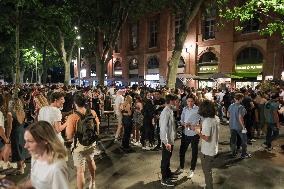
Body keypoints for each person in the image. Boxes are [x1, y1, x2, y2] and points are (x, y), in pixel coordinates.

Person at [17, 121, 69, 189]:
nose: (25, 146)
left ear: (45, 140)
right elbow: (34, 181)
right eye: (25, 141)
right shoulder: (35, 157)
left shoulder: (56, 169)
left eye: (30, 141)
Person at [65, 94, 100, 189]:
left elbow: (69, 136)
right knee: (91, 160)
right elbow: (97, 126)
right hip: (91, 142)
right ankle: (93, 182)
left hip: (79, 145)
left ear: (75, 103)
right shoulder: (92, 112)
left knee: (80, 171)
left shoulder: (72, 117)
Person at [193, 100, 219, 189]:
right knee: (208, 170)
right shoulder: (215, 119)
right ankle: (207, 184)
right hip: (213, 148)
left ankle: (209, 186)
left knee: (207, 171)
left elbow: (207, 138)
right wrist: (199, 126)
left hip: (207, 151)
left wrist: (198, 132)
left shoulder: (208, 121)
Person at [175, 95, 201, 179]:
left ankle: (192, 170)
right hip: (185, 133)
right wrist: (184, 124)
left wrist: (195, 126)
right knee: (182, 151)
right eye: (188, 101)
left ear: (194, 101)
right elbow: (181, 120)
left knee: (194, 152)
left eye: (191, 101)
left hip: (194, 134)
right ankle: (181, 167)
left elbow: (202, 121)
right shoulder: (184, 109)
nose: (190, 103)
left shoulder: (198, 109)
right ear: (186, 101)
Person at [160, 94, 178, 187]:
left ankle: (168, 173)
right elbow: (163, 128)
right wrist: (166, 142)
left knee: (168, 157)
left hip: (170, 139)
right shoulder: (165, 112)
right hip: (167, 141)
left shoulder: (170, 110)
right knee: (165, 159)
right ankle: (164, 178)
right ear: (170, 101)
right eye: (174, 101)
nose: (176, 102)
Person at [7, 94, 26, 175]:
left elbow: (9, 127)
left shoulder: (10, 114)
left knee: (17, 149)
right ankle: (23, 164)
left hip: (15, 132)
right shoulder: (22, 112)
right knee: (21, 148)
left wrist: (7, 137)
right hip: (22, 131)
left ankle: (20, 168)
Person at [227, 93, 251, 159]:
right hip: (239, 127)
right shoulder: (241, 107)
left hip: (232, 125)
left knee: (233, 139)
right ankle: (243, 154)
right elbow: (241, 118)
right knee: (244, 140)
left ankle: (233, 153)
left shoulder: (231, 106)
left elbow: (228, 115)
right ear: (241, 99)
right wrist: (243, 127)